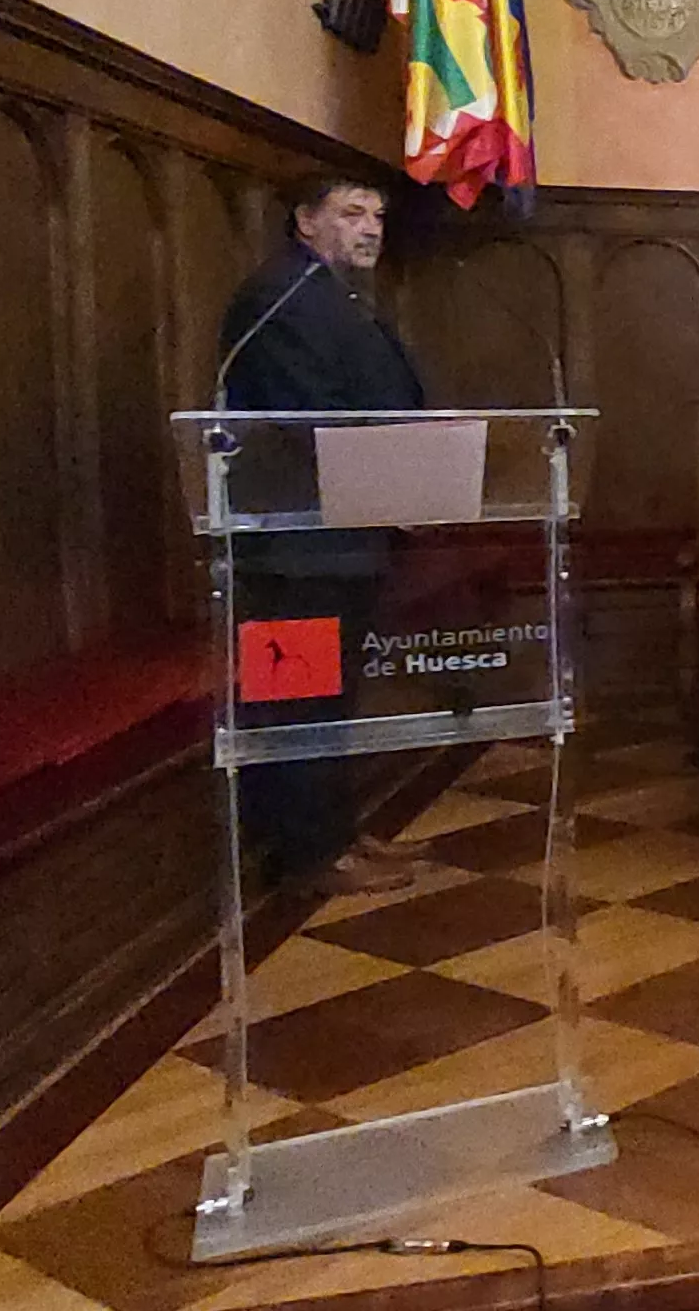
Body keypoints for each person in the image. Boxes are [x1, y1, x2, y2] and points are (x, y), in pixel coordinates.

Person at [215, 172, 432, 899]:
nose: (369, 226)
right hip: (297, 547)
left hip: (343, 539)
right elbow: (307, 420)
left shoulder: (334, 296)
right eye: (350, 212)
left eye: (376, 214)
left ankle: (334, 831)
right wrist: (392, 478)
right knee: (298, 698)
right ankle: (304, 849)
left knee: (331, 695)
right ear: (305, 221)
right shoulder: (279, 298)